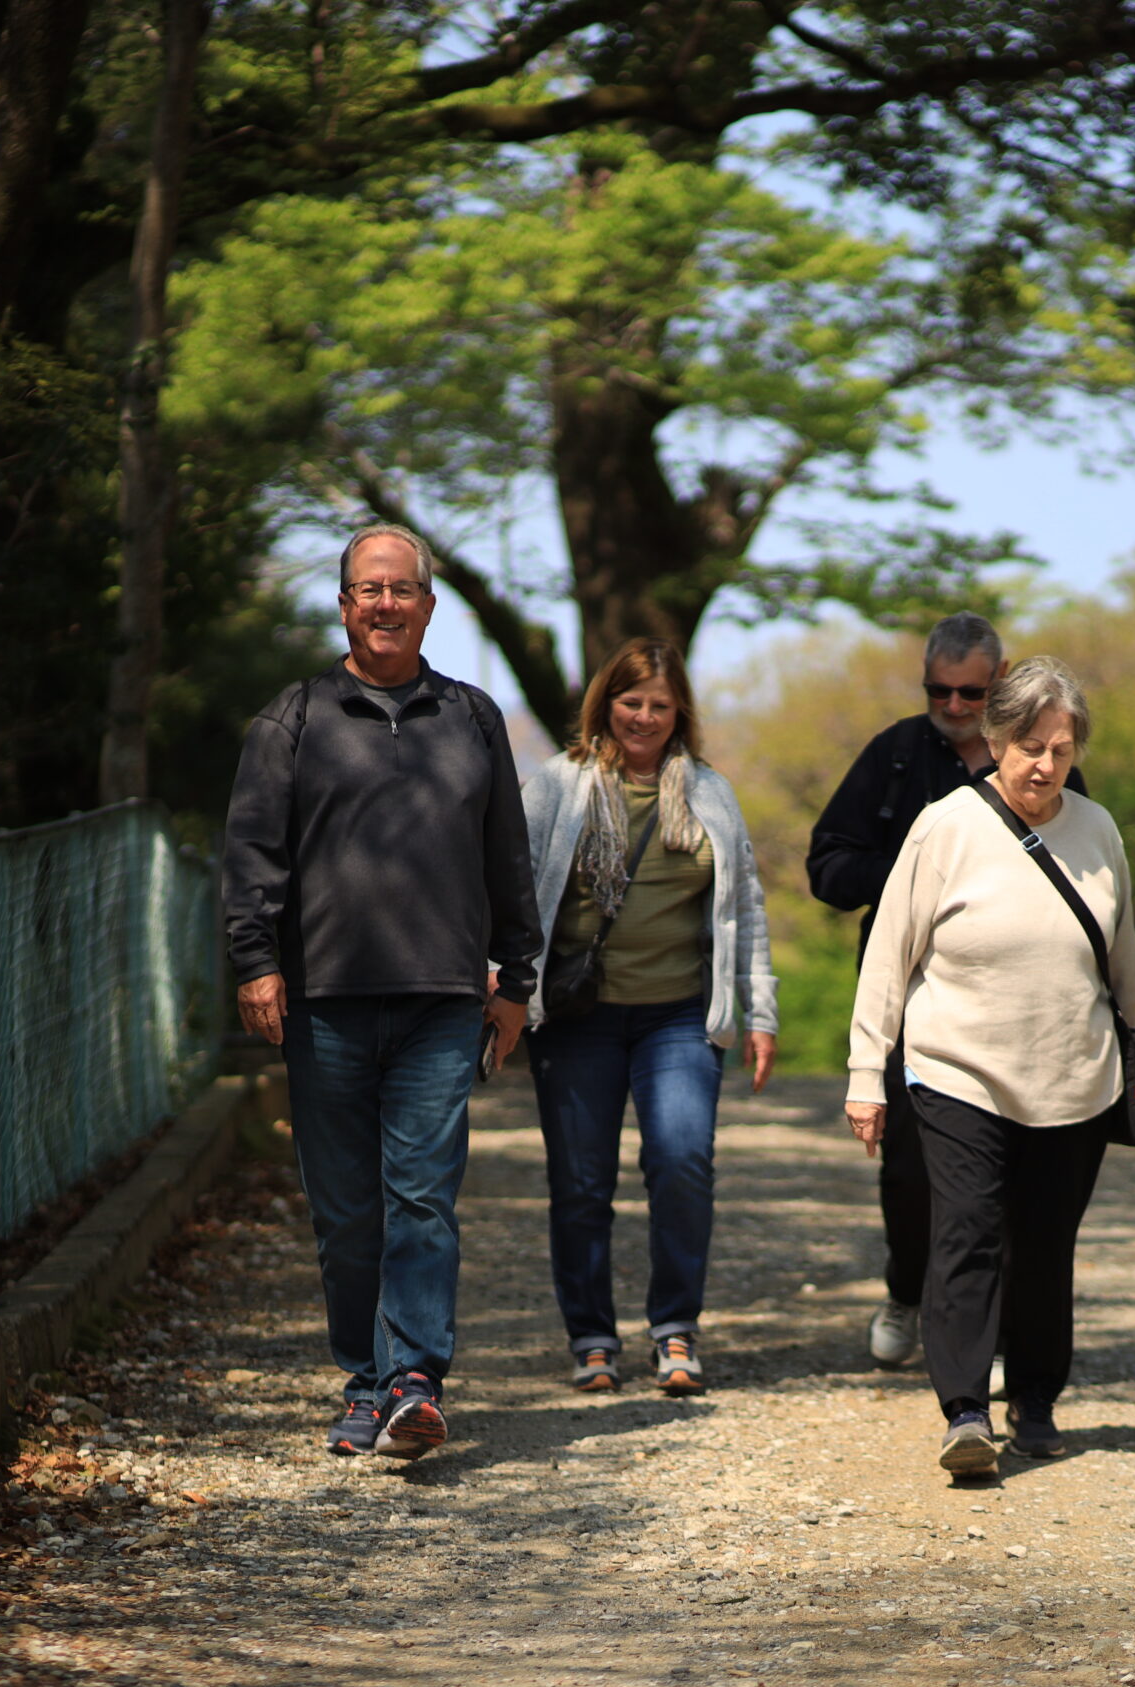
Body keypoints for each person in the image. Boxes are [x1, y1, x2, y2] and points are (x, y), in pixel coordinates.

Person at [222, 523, 542, 1463]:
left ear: (429, 604)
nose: (386, 604)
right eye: (370, 589)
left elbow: (508, 859)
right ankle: (364, 1378)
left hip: (443, 1001)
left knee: (423, 1198)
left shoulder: (474, 717)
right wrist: (255, 961)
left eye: (402, 589)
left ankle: (412, 1382)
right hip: (324, 1002)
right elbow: (251, 855)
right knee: (347, 1207)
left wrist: (516, 978)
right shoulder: (294, 719)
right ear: (345, 604)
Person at [844, 657, 1135, 1474]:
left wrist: (1134, 1049)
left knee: (1044, 1246)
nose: (1043, 764)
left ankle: (1035, 1397)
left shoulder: (1098, 829)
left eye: (1061, 747)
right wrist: (867, 1072)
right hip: (957, 1069)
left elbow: (1122, 964)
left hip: (1073, 1075)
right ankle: (966, 1407)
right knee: (968, 1228)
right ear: (995, 739)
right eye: (1028, 744)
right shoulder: (945, 825)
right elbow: (889, 954)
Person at [808, 613, 1086, 1373]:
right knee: (908, 1174)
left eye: (971, 692)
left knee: (999, 1186)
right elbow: (824, 866)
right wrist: (914, 874)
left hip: (1021, 1017)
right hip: (916, 1009)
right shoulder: (895, 755)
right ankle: (905, 1288)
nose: (954, 705)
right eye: (940, 689)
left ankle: (989, 1337)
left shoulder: (1051, 763)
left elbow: (1086, 876)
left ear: (998, 688)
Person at [519, 639, 779, 1397]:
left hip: (678, 1016)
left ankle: (675, 1329)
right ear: (606, 704)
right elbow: (509, 888)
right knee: (581, 1180)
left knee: (681, 1161)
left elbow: (746, 908)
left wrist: (758, 1011)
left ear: (679, 714)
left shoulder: (709, 793)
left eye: (659, 705)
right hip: (578, 1017)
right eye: (631, 701)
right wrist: (502, 991)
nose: (644, 716)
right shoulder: (558, 787)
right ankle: (593, 1338)